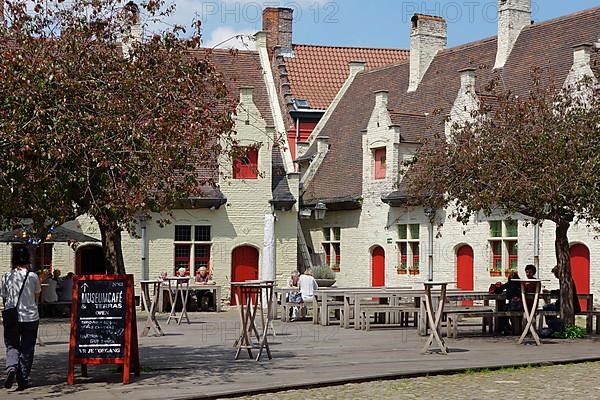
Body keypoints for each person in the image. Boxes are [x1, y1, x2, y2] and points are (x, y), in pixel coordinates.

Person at [1, 247, 42, 391]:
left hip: (12, 317)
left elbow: (4, 296)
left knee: (12, 345)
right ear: (27, 260)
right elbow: (37, 295)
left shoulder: (7, 276)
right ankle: (22, 378)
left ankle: (11, 367)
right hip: (30, 317)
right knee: (27, 348)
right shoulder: (33, 276)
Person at [542, 265, 580, 336]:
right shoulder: (567, 280)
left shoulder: (566, 280)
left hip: (569, 305)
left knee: (546, 307)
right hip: (565, 304)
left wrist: (551, 292)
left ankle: (552, 326)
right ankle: (554, 326)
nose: (555, 276)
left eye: (555, 274)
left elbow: (563, 293)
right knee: (548, 307)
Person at [498, 271, 522, 335]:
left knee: (502, 310)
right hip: (521, 306)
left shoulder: (509, 284)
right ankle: (509, 327)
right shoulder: (520, 284)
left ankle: (505, 328)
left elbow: (498, 290)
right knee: (505, 309)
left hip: (514, 305)